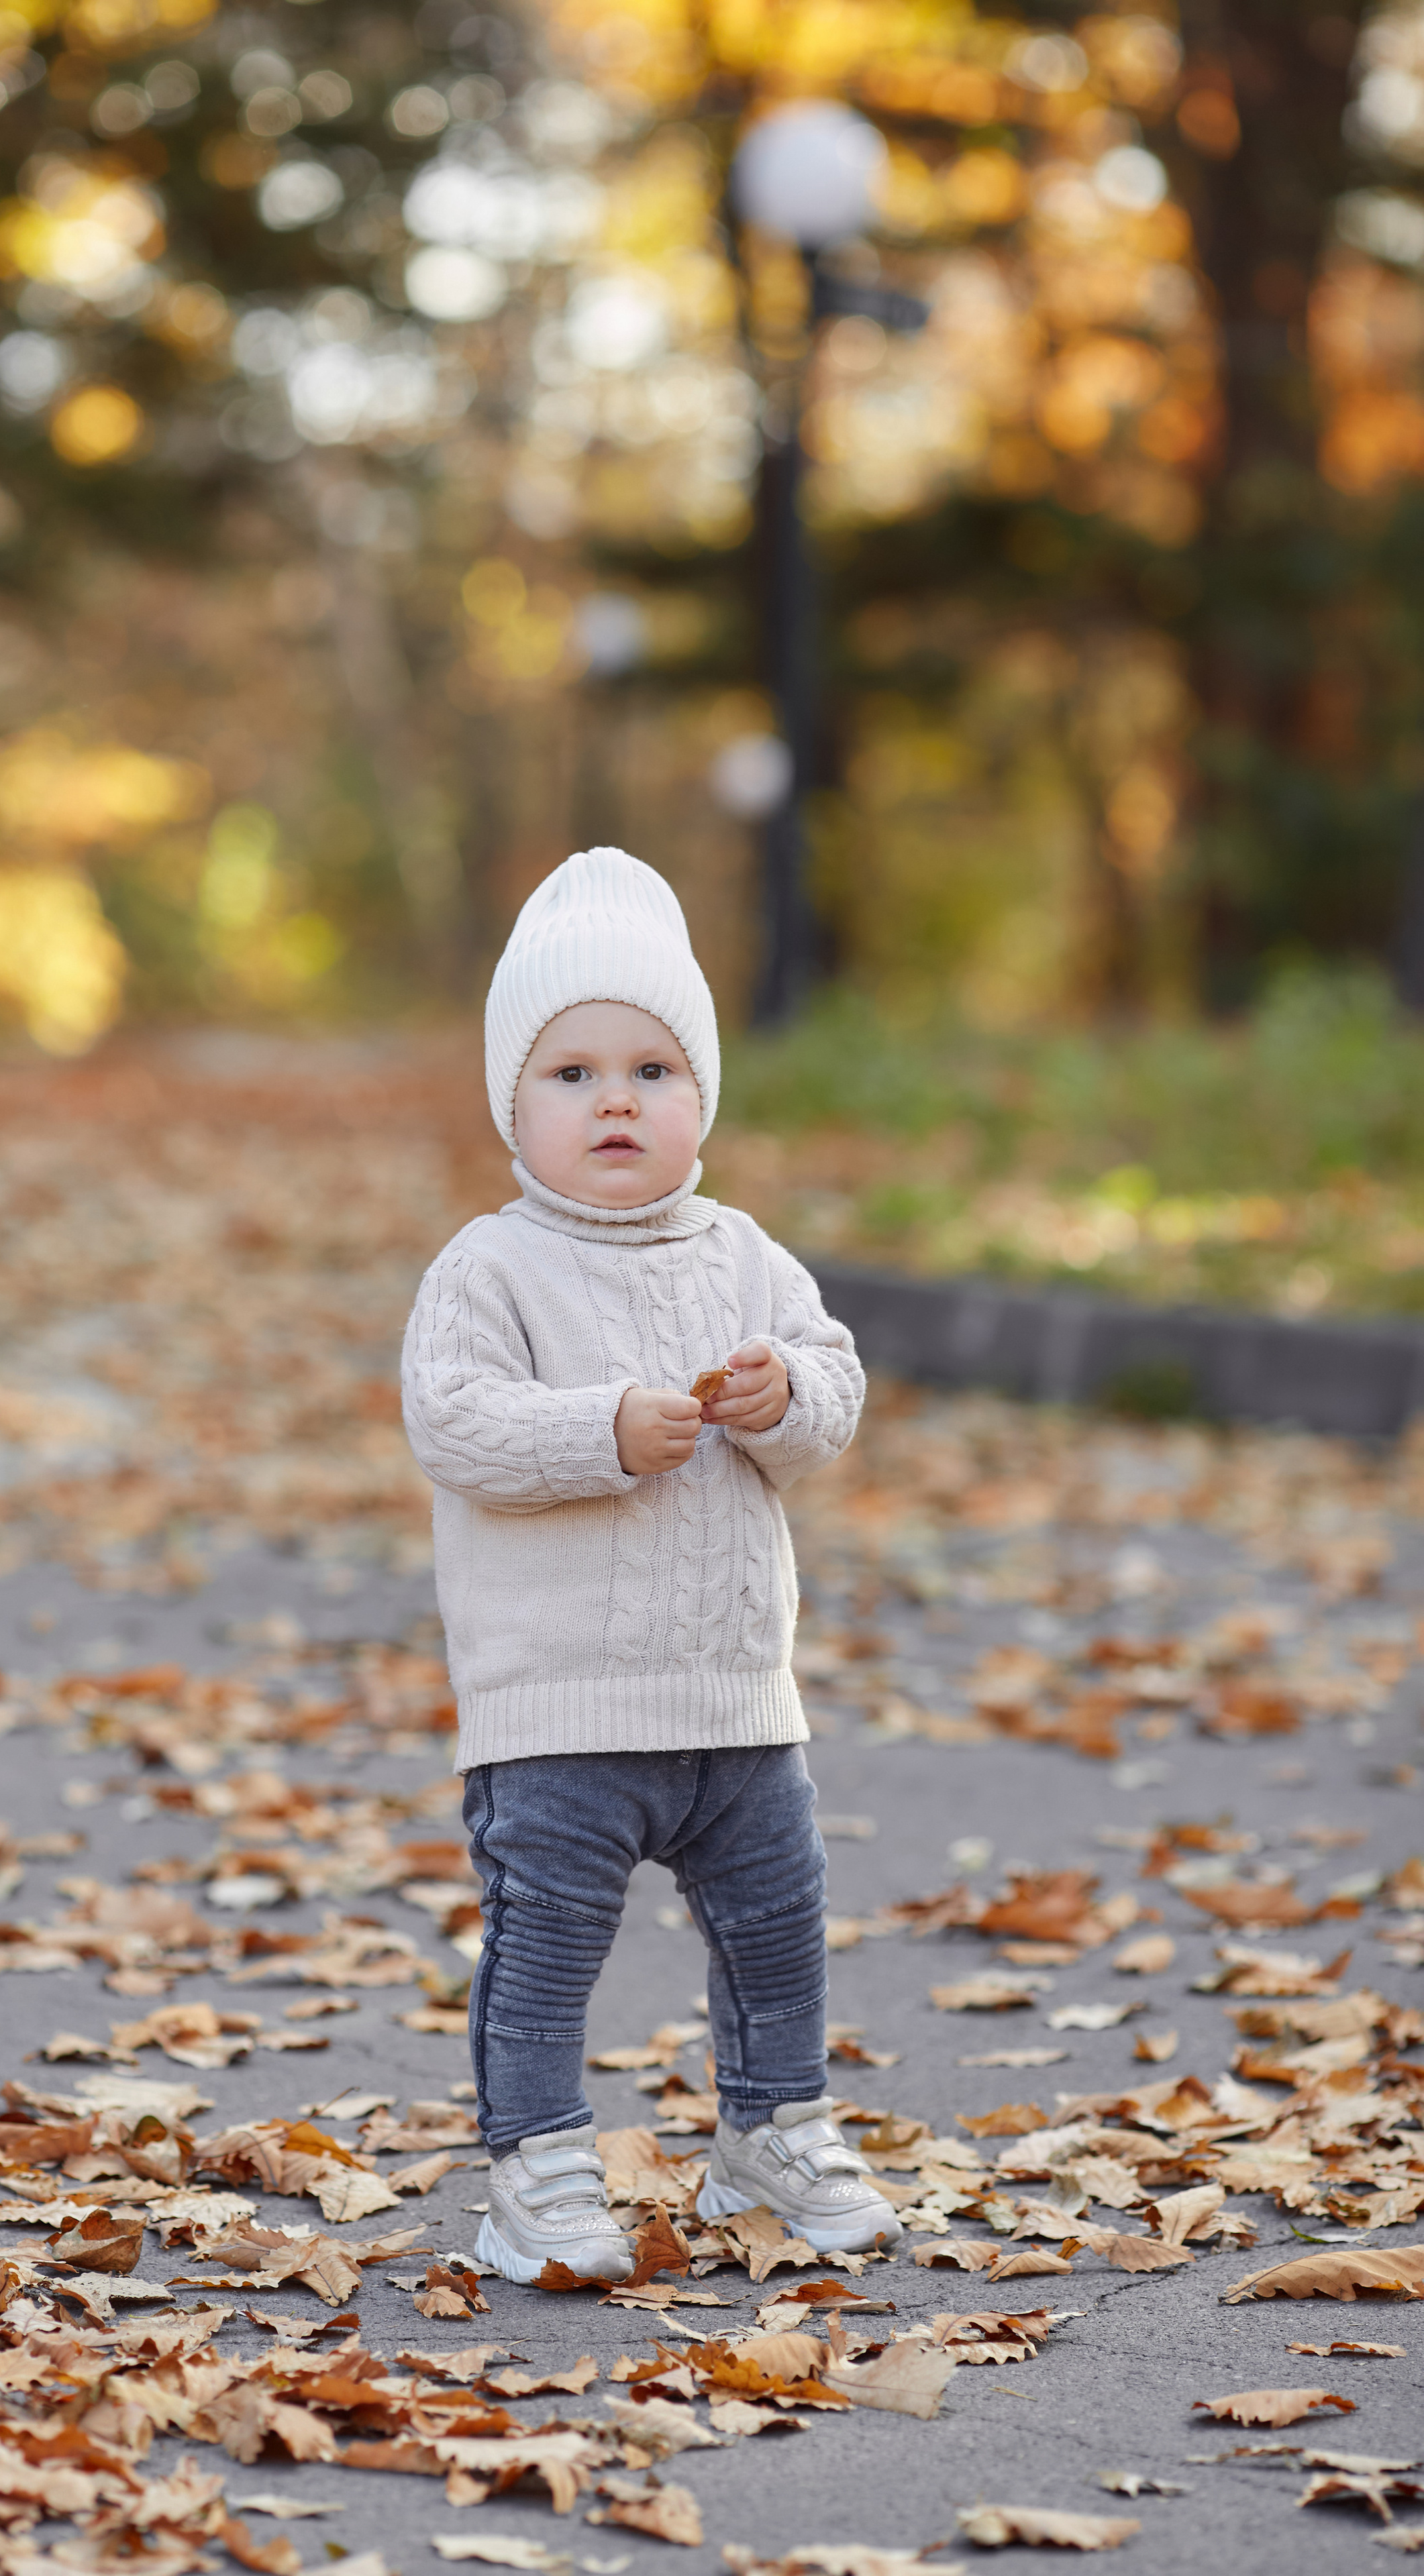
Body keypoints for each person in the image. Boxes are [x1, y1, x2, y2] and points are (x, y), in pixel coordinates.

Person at [401, 847, 899, 2284]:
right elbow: (454, 1422)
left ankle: (773, 2127)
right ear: (513, 1103)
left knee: (776, 1930)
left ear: (700, 1100)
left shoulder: (744, 1255)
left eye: (650, 1069)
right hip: (560, 1706)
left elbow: (833, 1387)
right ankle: (537, 2165)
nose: (613, 1099)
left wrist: (782, 1400)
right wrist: (603, 1428)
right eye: (570, 1075)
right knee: (548, 1946)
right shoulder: (488, 1269)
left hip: (738, 1698)